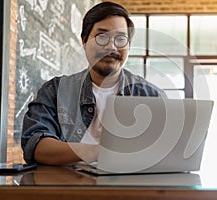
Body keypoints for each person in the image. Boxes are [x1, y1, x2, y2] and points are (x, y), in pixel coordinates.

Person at [21, 2, 166, 165]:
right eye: (102, 36)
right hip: (67, 186)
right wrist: (101, 151)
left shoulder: (151, 96)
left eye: (120, 39)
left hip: (130, 186)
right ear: (84, 40)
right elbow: (36, 147)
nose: (112, 46)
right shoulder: (55, 91)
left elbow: (167, 152)